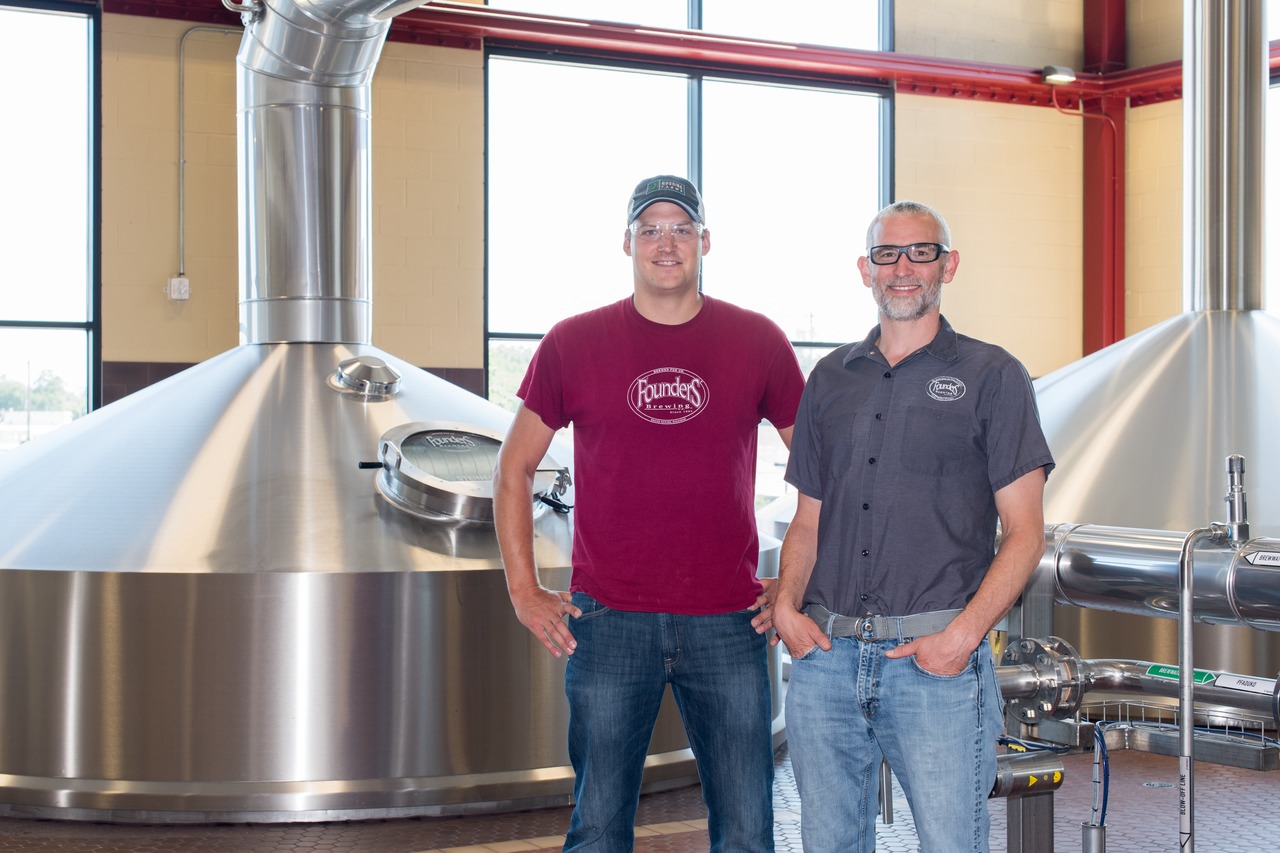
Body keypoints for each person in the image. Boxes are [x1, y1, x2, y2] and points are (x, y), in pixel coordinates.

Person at [493, 175, 805, 853]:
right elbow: (511, 466)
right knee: (600, 826)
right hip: (608, 621)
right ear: (627, 241)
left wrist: (797, 584)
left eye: (681, 227)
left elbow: (823, 471)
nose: (667, 242)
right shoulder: (573, 342)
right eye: (652, 228)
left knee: (750, 830)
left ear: (706, 241)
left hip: (728, 619)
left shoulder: (758, 341)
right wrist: (522, 588)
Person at [758, 200, 1054, 852]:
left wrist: (961, 638)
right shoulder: (831, 378)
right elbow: (808, 519)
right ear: (865, 269)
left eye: (921, 252)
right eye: (888, 254)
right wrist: (785, 605)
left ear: (948, 264)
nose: (903, 269)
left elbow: (1026, 532)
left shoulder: (993, 376)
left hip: (934, 669)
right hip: (827, 663)